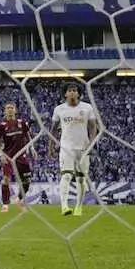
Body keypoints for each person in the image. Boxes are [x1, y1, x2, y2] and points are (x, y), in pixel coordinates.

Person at [48, 82, 99, 217]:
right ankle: (64, 206)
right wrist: (51, 146)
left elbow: (93, 126)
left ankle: (78, 207)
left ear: (78, 93)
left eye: (75, 90)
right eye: (70, 90)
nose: (72, 92)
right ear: (65, 93)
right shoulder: (59, 109)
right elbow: (53, 130)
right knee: (66, 175)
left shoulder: (87, 108)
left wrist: (92, 142)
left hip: (83, 148)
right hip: (66, 148)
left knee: (81, 179)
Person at [0, 101, 33, 213]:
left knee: (27, 180)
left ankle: (18, 199)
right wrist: (1, 154)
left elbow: (28, 135)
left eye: (12, 107)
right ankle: (5, 205)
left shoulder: (22, 123)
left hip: (21, 155)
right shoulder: (1, 125)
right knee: (6, 179)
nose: (10, 109)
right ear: (5, 111)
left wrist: (32, 148)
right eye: (8, 108)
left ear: (15, 110)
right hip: (8, 156)